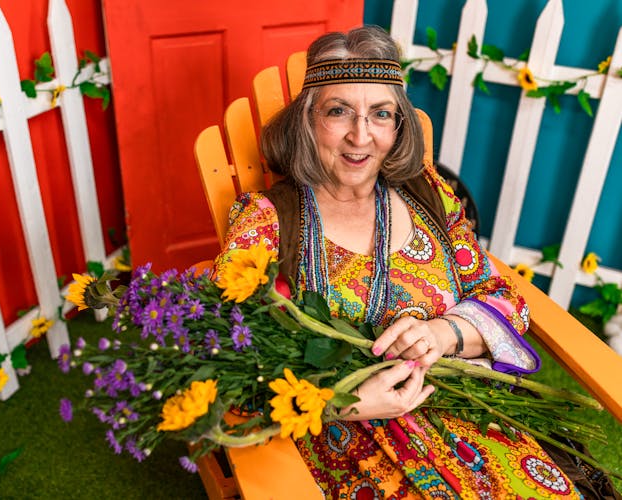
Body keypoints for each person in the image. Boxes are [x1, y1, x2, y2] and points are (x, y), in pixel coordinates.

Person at [212, 25, 614, 499]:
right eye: (338, 111)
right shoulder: (269, 219)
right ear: (306, 120)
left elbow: (502, 298)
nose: (360, 135)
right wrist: (342, 404)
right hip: (342, 437)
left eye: (380, 114)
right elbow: (224, 352)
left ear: (399, 124)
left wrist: (443, 334)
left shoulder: (431, 199)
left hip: (469, 412)